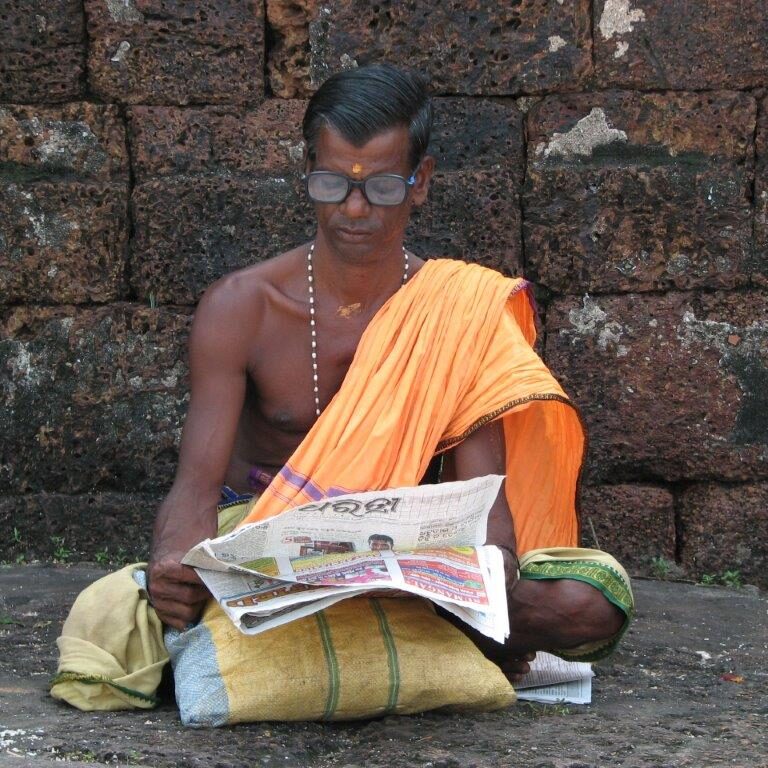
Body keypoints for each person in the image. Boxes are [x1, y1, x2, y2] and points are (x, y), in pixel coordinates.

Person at [147, 63, 629, 682]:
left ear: (420, 182)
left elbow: (486, 510)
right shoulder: (241, 307)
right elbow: (195, 488)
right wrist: (172, 566)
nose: (353, 209)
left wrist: (491, 574)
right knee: (177, 596)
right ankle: (419, 640)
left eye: (380, 187)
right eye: (332, 184)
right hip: (266, 549)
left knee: (589, 606)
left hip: (405, 562)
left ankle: (396, 623)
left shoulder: (458, 309)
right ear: (306, 175)